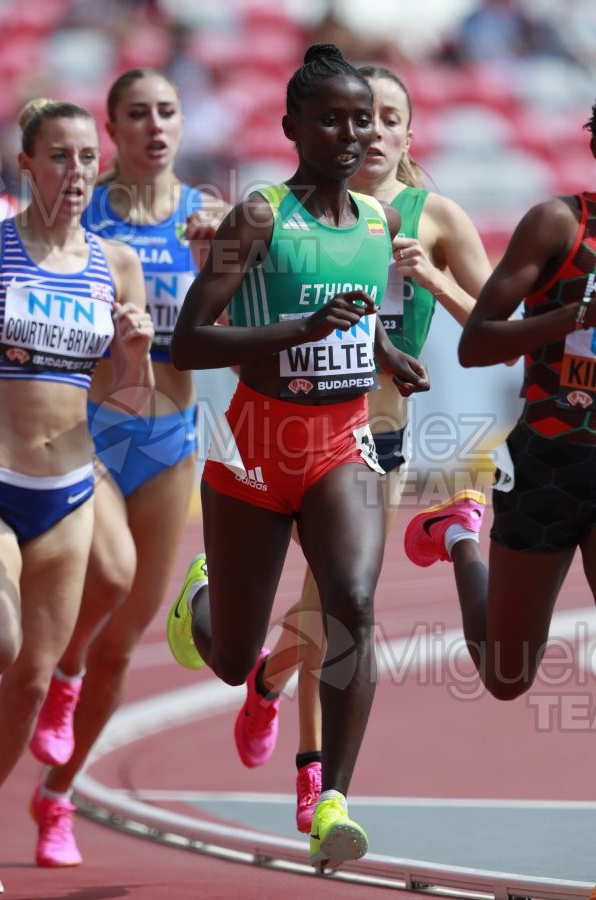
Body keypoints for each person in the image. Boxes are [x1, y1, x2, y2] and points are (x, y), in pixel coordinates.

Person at [167, 42, 430, 869]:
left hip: (340, 443)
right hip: (256, 447)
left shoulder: (382, 222)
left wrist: (385, 354)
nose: (351, 132)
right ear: (292, 127)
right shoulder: (261, 217)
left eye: (362, 118)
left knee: (351, 600)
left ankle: (334, 801)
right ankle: (197, 605)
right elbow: (189, 343)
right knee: (236, 657)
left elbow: (350, 311)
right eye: (331, 118)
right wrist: (295, 333)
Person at [230, 63, 494, 834]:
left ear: (409, 135)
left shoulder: (433, 215)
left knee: (331, 607)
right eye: (360, 116)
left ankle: (276, 701)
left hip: (375, 437)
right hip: (291, 429)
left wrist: (432, 279)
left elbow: (498, 331)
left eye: (388, 118)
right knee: (334, 606)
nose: (370, 131)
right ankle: (313, 772)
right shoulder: (311, 212)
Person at [28, 69, 225, 868]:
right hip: (89, 433)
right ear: (111, 129)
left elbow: (250, 334)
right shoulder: (85, 211)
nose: (155, 125)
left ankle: (57, 797)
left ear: (183, 124)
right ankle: (56, 680)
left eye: (168, 111)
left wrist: (228, 267)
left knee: (123, 641)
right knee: (68, 623)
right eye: (137, 113)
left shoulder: (210, 216)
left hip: (171, 436)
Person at [0, 98, 153, 893]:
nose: (78, 172)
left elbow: (126, 400)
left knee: (30, 680)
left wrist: (131, 356)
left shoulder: (111, 265)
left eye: (89, 158)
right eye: (60, 157)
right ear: (27, 165)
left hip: (66, 490)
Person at [403, 99, 596, 705]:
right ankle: (459, 534)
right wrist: (577, 317)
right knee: (506, 677)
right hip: (547, 459)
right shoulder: (558, 225)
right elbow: (478, 344)